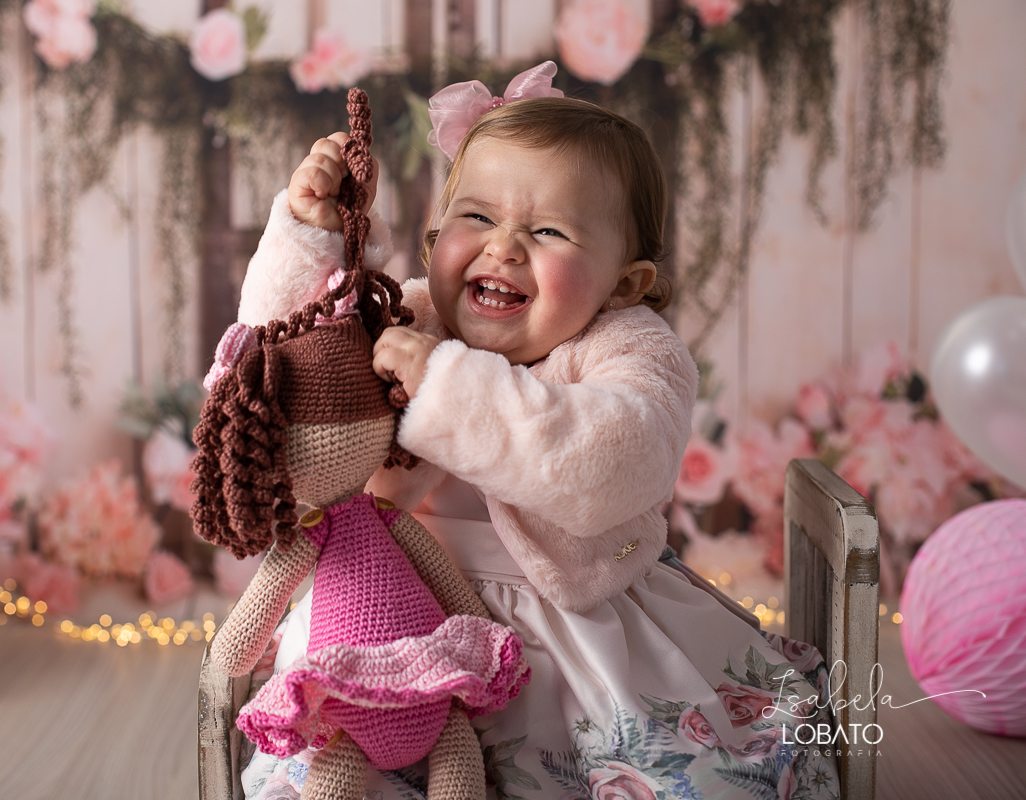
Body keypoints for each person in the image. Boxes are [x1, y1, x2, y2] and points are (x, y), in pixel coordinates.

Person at [229, 63, 841, 800]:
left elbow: (612, 462)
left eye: (548, 230)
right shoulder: (409, 314)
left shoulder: (633, 351)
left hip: (569, 621)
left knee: (682, 775)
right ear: (433, 243)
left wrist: (448, 388)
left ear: (623, 283)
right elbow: (290, 364)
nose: (505, 247)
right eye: (478, 219)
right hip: (393, 616)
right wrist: (312, 240)